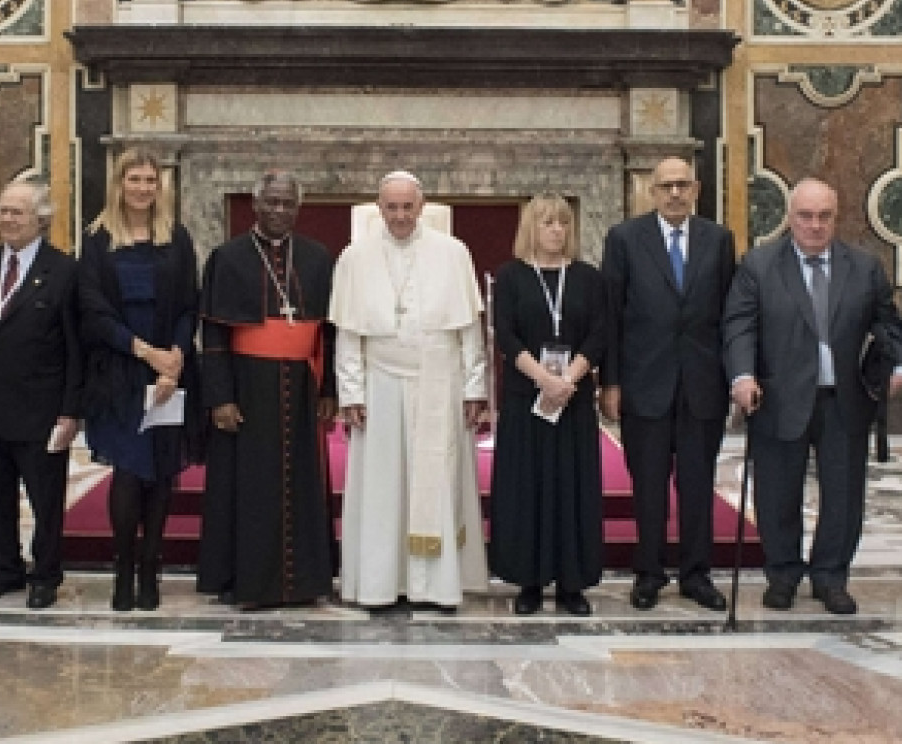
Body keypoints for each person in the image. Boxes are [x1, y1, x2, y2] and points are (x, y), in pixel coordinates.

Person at [723, 177, 902, 615]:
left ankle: (831, 577)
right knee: (777, 493)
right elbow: (739, 326)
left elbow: (888, 322)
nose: (814, 225)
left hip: (844, 399)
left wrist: (899, 365)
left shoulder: (863, 267)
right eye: (805, 216)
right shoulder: (759, 265)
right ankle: (783, 574)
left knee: (843, 496)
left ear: (836, 217)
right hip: (778, 396)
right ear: (790, 217)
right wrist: (743, 376)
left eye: (824, 216)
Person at [329, 171, 490, 612]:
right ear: (379, 208)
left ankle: (436, 587)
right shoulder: (354, 257)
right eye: (391, 208)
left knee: (436, 482)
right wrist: (351, 394)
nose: (400, 216)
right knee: (381, 488)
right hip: (379, 381)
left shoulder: (453, 253)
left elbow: (469, 331)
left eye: (407, 207)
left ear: (421, 207)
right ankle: (380, 584)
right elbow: (348, 336)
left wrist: (475, 387)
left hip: (440, 379)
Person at [196, 170, 339, 610]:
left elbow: (329, 333)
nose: (279, 211)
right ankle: (245, 580)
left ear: (298, 208)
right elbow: (214, 333)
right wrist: (220, 396)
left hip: (299, 386)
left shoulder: (317, 258)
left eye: (288, 204)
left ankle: (306, 582)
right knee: (246, 485)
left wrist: (328, 388)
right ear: (255, 206)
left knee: (302, 483)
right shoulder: (228, 257)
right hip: (246, 386)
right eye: (271, 203)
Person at [601, 155, 738, 611]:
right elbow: (612, 316)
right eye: (666, 186)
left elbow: (728, 314)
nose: (675, 193)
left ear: (696, 189)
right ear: (652, 191)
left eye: (683, 185)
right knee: (649, 485)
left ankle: (697, 575)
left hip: (702, 384)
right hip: (645, 383)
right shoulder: (624, 239)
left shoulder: (718, 240)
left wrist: (733, 374)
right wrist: (612, 382)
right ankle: (649, 573)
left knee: (699, 484)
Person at [79, 149, 200, 612]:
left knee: (163, 475)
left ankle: (152, 569)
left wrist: (175, 357)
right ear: (119, 183)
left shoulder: (177, 238)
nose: (143, 187)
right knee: (129, 473)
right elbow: (91, 308)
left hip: (169, 373)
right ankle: (123, 571)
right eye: (135, 179)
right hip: (118, 370)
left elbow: (190, 303)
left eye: (151, 180)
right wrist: (145, 352)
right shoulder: (97, 239)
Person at [0, 178, 84, 610]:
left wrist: (71, 412)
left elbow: (75, 348)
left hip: (42, 409)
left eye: (18, 212)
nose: (8, 220)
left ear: (41, 219)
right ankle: (4, 569)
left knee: (45, 499)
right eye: (3, 211)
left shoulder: (64, 271)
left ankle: (45, 574)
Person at [491, 194, 612, 616]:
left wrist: (568, 379)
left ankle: (571, 584)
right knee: (528, 489)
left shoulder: (587, 278)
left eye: (562, 223)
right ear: (531, 228)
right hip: (528, 399)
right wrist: (544, 379)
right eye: (547, 223)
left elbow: (599, 333)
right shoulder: (511, 277)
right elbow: (505, 335)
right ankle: (529, 581)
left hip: (573, 401)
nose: (556, 230)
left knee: (572, 489)